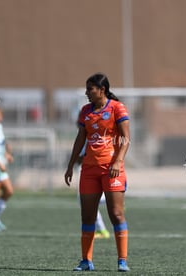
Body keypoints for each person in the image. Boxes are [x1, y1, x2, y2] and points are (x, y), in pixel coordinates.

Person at [65, 73, 131, 272]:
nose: (87, 93)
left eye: (90, 89)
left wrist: (118, 161)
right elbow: (80, 139)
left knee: (116, 214)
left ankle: (122, 260)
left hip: (112, 169)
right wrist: (70, 165)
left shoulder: (117, 108)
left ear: (101, 90)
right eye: (86, 89)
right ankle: (86, 260)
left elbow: (126, 138)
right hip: (89, 170)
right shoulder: (85, 111)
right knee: (87, 217)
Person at [76, 144, 110, 239]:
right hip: (88, 173)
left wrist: (76, 157)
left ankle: (112, 201)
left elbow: (82, 158)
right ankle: (102, 229)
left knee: (86, 201)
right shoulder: (85, 136)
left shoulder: (88, 138)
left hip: (91, 173)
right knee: (86, 202)